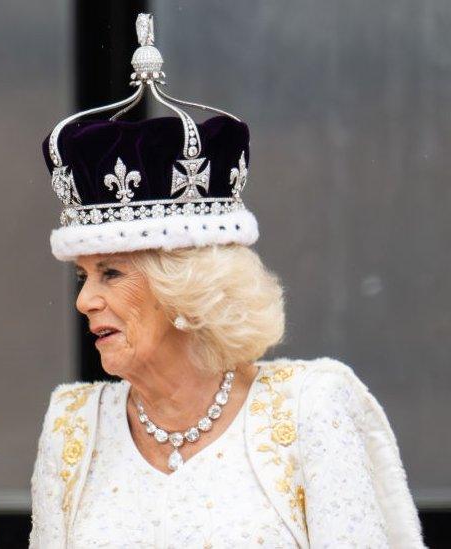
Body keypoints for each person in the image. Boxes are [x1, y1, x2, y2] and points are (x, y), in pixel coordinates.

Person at [29, 13, 422, 549]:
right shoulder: (72, 427)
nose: (84, 300)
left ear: (187, 288)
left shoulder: (311, 406)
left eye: (111, 273)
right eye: (83, 275)